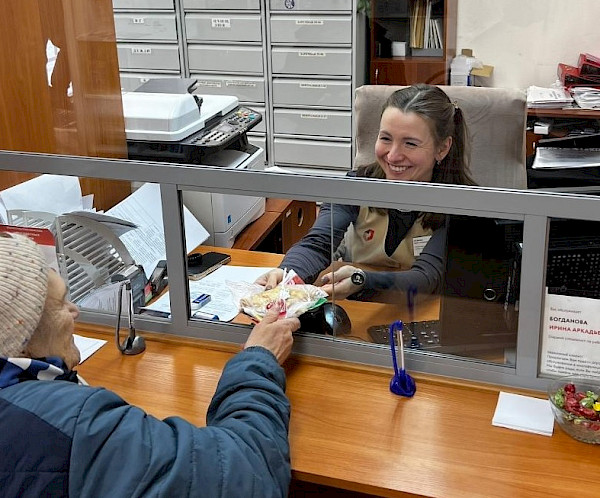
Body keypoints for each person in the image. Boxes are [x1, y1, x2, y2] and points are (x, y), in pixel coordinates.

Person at [0, 232, 300, 497]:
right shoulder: (71, 422)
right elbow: (247, 475)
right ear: (21, 331)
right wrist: (259, 359)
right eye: (61, 304)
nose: (75, 310)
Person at [258, 84, 475, 301]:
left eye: (410, 143)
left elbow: (427, 278)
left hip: (417, 310)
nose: (393, 156)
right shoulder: (356, 185)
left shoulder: (463, 205)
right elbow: (318, 243)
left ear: (442, 148)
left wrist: (362, 279)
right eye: (386, 138)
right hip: (357, 307)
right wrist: (288, 272)